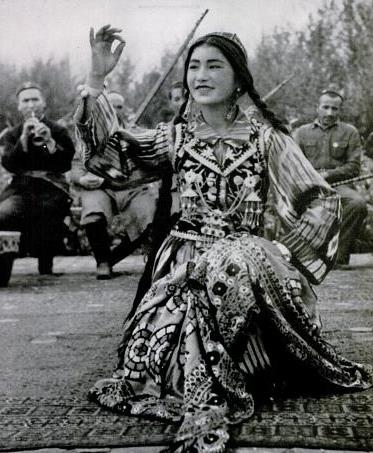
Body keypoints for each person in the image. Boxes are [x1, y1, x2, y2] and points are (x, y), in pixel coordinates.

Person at [76, 27, 372, 452]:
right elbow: (109, 157)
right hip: (183, 263)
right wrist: (96, 78)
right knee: (157, 366)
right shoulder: (174, 138)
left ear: (238, 78)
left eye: (214, 65)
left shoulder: (267, 140)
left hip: (248, 269)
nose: (201, 75)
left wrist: (283, 252)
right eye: (194, 66)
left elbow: (320, 201)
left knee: (239, 305)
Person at [71, 90, 158, 279]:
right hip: (101, 189)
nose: (114, 111)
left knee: (147, 216)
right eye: (110, 107)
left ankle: (111, 260)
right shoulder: (89, 136)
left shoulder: (136, 133)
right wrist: (81, 179)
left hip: (131, 188)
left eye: (118, 107)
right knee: (93, 214)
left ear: (124, 110)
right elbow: (77, 165)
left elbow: (146, 166)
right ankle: (102, 262)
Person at [0, 81, 75, 275]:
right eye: (25, 101)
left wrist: (49, 142)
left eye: (35, 99)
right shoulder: (12, 134)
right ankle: (3, 268)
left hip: (51, 188)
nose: (31, 105)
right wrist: (23, 141)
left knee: (47, 211)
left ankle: (45, 264)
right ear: (19, 106)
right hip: (21, 189)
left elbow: (66, 163)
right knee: (4, 213)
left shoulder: (58, 130)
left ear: (44, 104)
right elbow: (9, 163)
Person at [293, 88, 367, 268]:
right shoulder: (301, 133)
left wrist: (327, 174)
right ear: (317, 108)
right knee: (287, 202)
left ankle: (337, 258)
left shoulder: (350, 132)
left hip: (339, 187)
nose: (330, 113)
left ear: (340, 110)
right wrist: (310, 178)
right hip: (309, 187)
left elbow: (354, 167)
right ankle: (300, 254)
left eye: (335, 109)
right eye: (325, 107)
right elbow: (293, 164)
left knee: (357, 203)